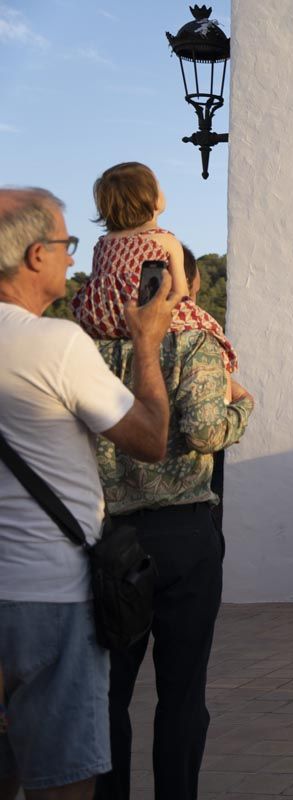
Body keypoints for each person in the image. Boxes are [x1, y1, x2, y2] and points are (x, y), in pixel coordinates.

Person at [0, 188, 178, 800]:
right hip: (48, 595)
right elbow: (152, 439)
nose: (73, 260)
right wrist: (147, 343)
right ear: (32, 255)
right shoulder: (53, 344)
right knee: (62, 782)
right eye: (64, 245)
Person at [92, 310, 255, 800]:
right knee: (182, 695)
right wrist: (242, 405)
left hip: (112, 535)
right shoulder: (193, 343)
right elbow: (206, 433)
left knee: (108, 694)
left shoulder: (86, 345)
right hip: (183, 532)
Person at [70, 162, 237, 372]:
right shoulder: (164, 240)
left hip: (105, 319)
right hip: (147, 313)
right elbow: (181, 293)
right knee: (211, 333)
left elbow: (99, 285)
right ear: (149, 198)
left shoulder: (103, 243)